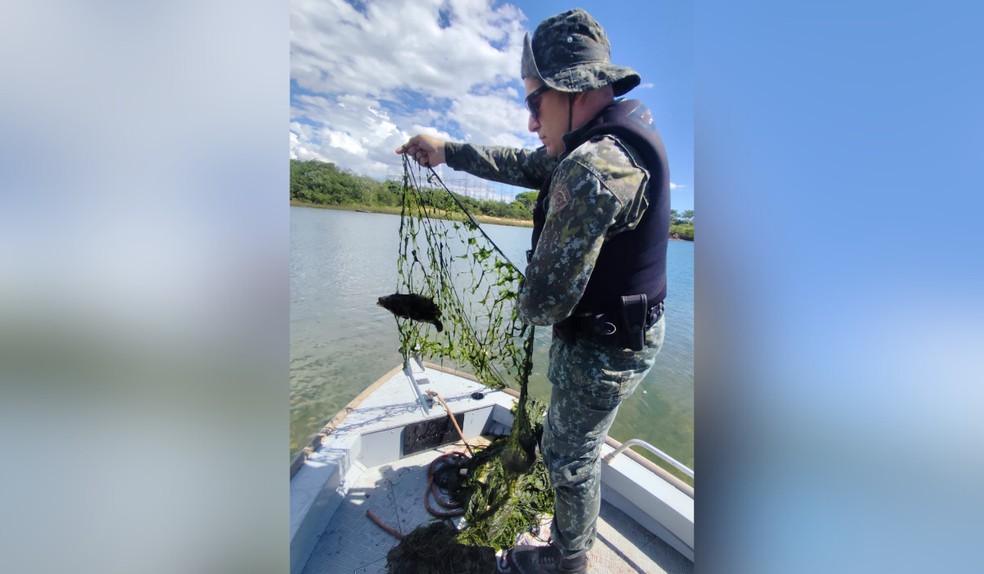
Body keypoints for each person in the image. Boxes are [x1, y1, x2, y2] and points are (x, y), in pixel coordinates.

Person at [397, 8, 670, 574]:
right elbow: (526, 163)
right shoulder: (598, 139)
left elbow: (543, 304)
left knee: (569, 457)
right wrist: (445, 149)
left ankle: (567, 560)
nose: (529, 122)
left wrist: (515, 295)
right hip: (610, 331)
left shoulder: (594, 168)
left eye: (533, 103)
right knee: (566, 445)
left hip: (606, 348)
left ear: (575, 91)